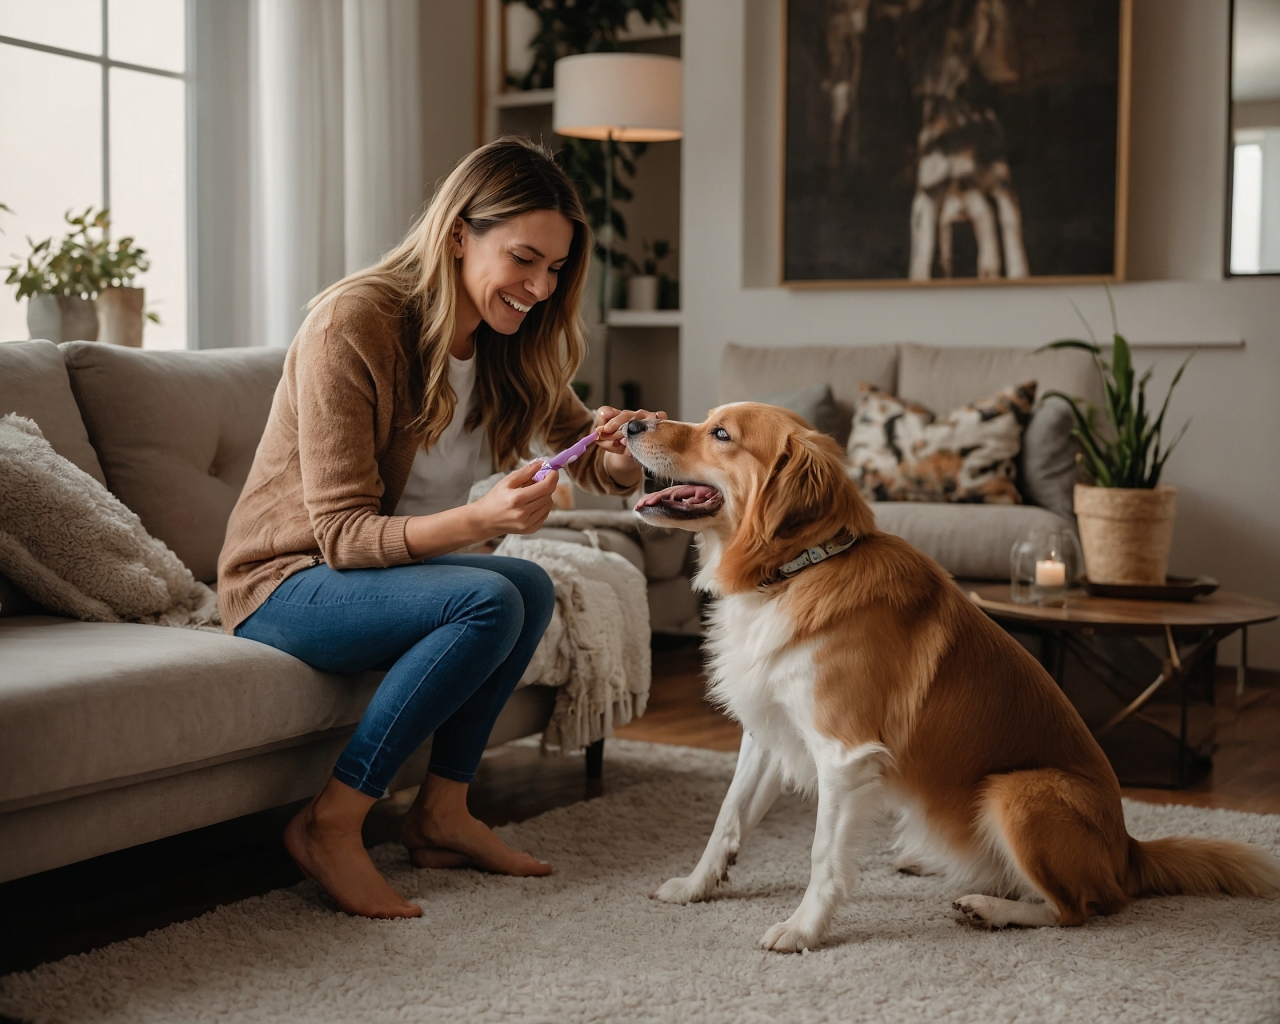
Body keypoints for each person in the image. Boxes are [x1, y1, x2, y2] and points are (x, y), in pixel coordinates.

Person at [217, 137, 664, 919]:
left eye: (555, 269)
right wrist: (479, 520)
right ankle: (331, 822)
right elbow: (344, 538)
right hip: (287, 584)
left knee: (524, 581)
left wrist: (622, 454)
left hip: (383, 581)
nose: (538, 286)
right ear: (460, 233)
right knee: (495, 594)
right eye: (524, 258)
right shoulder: (353, 322)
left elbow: (591, 458)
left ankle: (443, 812)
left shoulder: (506, 342)